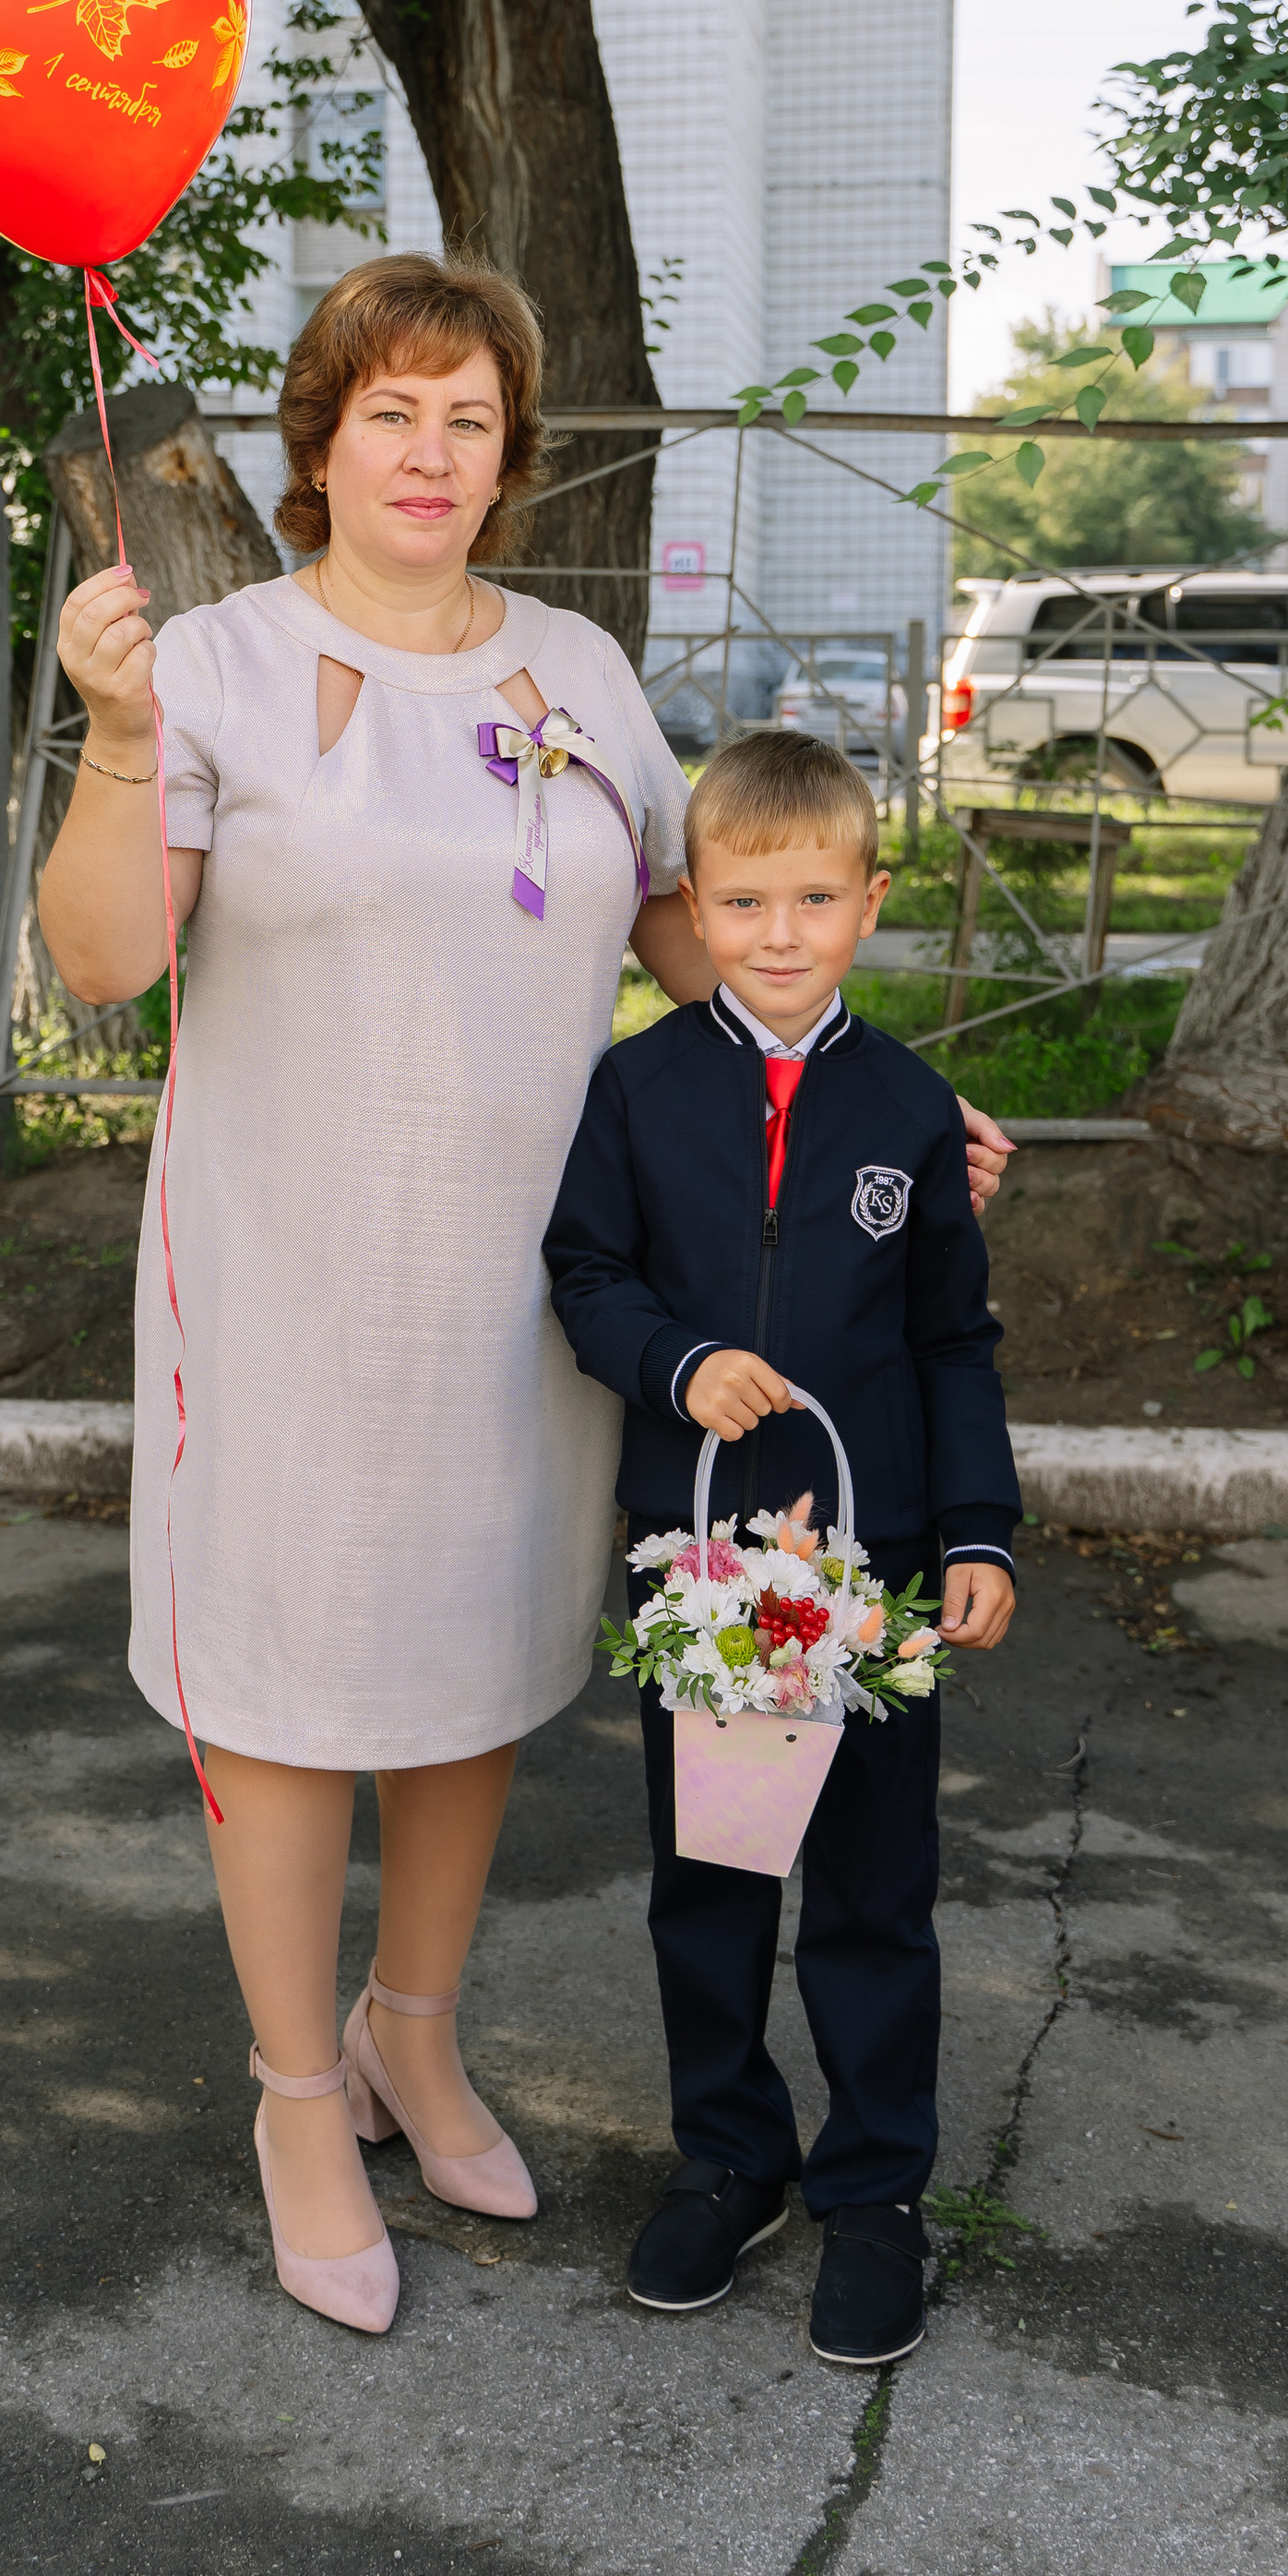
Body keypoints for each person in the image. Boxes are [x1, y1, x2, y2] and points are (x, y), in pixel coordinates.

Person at [36, 253, 1016, 2340]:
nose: (428, 450)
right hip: (293, 1282)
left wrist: (884, 1111)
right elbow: (105, 964)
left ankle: (414, 2027)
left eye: (468, 418)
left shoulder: (574, 666)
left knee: (475, 1666)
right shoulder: (203, 660)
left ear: (508, 461)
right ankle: (297, 2096)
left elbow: (698, 934)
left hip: (550, 1285)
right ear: (321, 438)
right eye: (390, 409)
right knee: (300, 1684)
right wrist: (119, 739)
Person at [543, 725, 1020, 2370]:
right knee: (715, 1880)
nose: (779, 933)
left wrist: (980, 1530)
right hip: (708, 1573)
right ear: (693, 900)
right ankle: (732, 2157)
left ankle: (874, 2190)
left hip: (870, 1573)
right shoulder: (642, 1085)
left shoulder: (906, 1110)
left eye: (816, 897)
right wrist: (678, 1365)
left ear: (870, 902)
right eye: (744, 899)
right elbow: (585, 1274)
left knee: (877, 1889)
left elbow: (956, 1340)